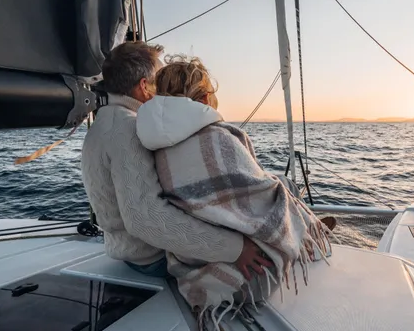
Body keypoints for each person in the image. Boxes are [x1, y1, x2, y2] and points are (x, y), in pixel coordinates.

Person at [136, 54, 331, 319]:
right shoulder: (219, 137)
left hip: (190, 271)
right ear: (204, 100)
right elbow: (257, 201)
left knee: (278, 186)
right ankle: (308, 234)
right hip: (251, 279)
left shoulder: (152, 146)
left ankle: (307, 229)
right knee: (284, 188)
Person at [81, 42, 271, 279]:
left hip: (125, 252)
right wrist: (236, 249)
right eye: (159, 82)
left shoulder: (102, 125)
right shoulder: (129, 129)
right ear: (145, 87)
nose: (164, 91)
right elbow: (144, 220)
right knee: (265, 253)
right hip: (152, 260)